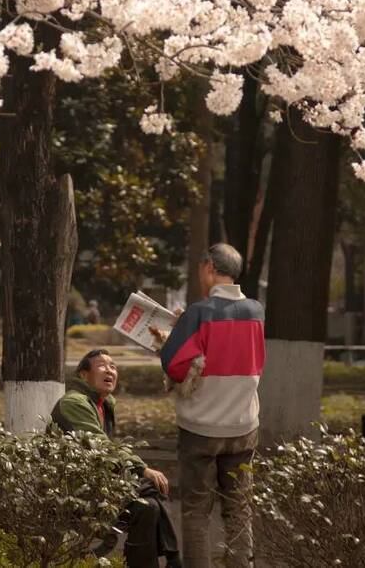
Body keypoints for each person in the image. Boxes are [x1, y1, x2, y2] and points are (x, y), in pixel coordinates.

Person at [159, 243, 265, 568]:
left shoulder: (198, 313)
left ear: (208, 267)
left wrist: (173, 335)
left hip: (200, 429)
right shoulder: (255, 310)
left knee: (196, 511)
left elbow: (175, 365)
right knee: (238, 509)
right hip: (243, 426)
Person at [51, 349, 182, 568]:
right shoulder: (74, 403)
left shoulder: (104, 404)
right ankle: (174, 558)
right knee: (151, 486)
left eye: (113, 366)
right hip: (72, 490)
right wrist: (142, 469)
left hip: (98, 484)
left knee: (148, 506)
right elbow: (101, 444)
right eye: (102, 365)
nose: (110, 370)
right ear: (83, 374)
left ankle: (166, 559)